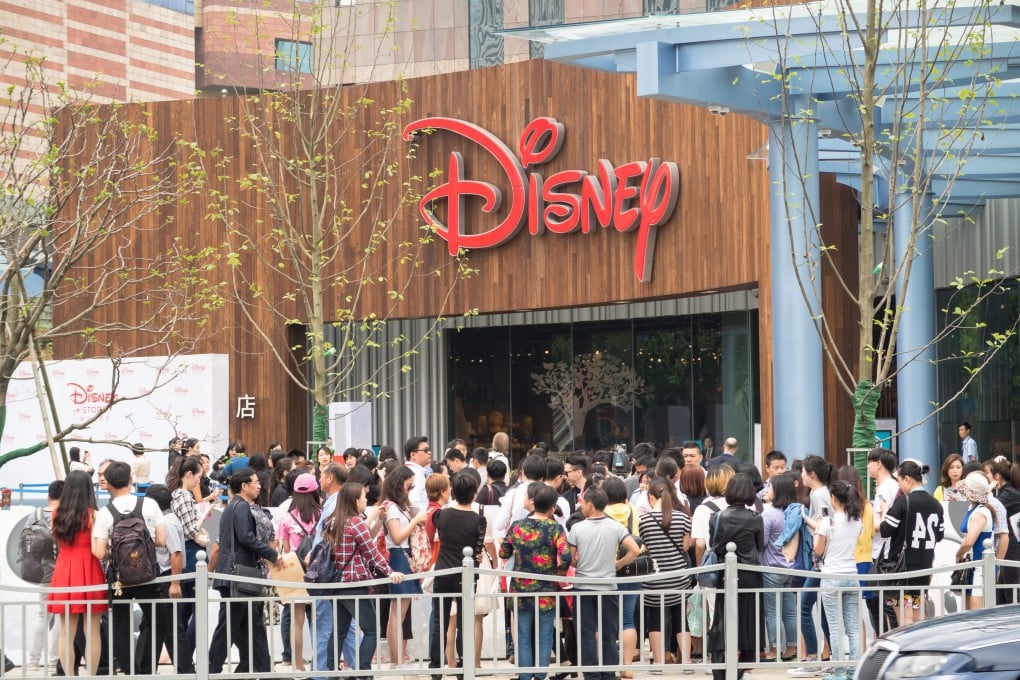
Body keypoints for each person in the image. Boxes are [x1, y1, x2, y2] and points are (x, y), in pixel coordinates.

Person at [90, 461, 166, 675]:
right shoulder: (149, 504)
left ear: (109, 485)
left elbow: (98, 551)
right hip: (149, 576)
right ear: (131, 480)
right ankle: (147, 670)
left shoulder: (105, 512)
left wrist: (116, 554)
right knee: (155, 623)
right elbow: (161, 540)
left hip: (119, 579)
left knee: (121, 627)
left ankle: (129, 671)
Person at [323, 482, 405, 677]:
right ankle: (363, 670)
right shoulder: (355, 522)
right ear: (355, 500)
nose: (366, 500)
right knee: (372, 629)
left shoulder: (334, 520)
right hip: (354, 584)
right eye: (363, 497)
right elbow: (371, 552)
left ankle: (332, 671)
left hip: (337, 583)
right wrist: (390, 571)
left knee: (339, 631)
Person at [208, 468, 283, 675]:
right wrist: (273, 554)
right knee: (229, 627)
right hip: (238, 576)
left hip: (237, 575)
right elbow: (246, 537)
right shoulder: (241, 507)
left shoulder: (235, 507)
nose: (259, 486)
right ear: (244, 486)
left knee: (253, 627)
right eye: (256, 482)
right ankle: (210, 670)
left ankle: (263, 671)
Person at [567, 486, 640, 680]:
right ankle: (608, 672)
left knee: (586, 634)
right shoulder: (615, 526)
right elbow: (635, 550)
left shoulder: (577, 528)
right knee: (609, 632)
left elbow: (572, 559)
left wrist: (580, 562)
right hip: (608, 587)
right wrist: (617, 564)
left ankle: (591, 674)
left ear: (589, 505)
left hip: (583, 587)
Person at [499, 483, 571, 680]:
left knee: (523, 634)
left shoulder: (517, 526)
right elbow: (566, 557)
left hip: (521, 589)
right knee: (545, 634)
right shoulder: (555, 528)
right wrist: (557, 575)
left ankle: (524, 675)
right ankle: (540, 675)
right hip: (547, 589)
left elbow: (503, 551)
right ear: (552, 507)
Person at [48, 471, 106, 676]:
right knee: (92, 632)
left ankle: (70, 677)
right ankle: (90, 676)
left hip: (64, 572)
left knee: (66, 631)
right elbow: (98, 550)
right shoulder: (93, 515)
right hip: (89, 571)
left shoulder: (57, 514)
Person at [429, 471, 487, 679]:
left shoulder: (441, 515)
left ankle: (436, 668)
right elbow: (478, 551)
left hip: (443, 571)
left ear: (452, 491)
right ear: (474, 493)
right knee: (464, 622)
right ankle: (464, 668)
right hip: (466, 576)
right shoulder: (478, 520)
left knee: (439, 622)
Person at [706, 474, 763, 680]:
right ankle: (741, 668)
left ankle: (721, 669)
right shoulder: (756, 518)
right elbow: (760, 547)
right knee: (748, 623)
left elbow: (713, 544)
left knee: (722, 620)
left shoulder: (717, 517)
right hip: (750, 575)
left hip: (725, 576)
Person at [807, 480, 863, 680]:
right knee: (854, 628)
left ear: (833, 498)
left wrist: (816, 535)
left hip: (831, 576)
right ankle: (854, 671)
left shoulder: (827, 522)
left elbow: (818, 549)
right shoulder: (857, 521)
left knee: (835, 627)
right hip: (851, 575)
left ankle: (839, 672)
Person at [879, 461, 944, 625]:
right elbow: (940, 535)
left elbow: (886, 529)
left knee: (905, 619)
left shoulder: (904, 501)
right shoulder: (936, 504)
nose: (899, 485)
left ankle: (910, 650)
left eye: (899, 480)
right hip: (925, 567)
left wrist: (885, 510)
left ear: (907, 479)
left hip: (903, 570)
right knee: (918, 617)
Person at [639, 480, 693, 669]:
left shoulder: (644, 520)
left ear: (650, 497)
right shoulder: (682, 518)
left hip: (654, 578)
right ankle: (687, 661)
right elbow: (685, 547)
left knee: (655, 619)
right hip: (679, 577)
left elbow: (643, 547)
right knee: (681, 619)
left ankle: (658, 662)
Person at [140, 484, 194, 673]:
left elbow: (176, 553)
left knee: (170, 628)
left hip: (166, 578)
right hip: (164, 578)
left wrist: (174, 583)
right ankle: (145, 669)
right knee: (156, 625)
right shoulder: (168, 519)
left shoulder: (167, 522)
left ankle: (185, 671)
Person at [381, 465, 428, 669]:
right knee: (397, 612)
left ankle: (397, 658)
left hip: (402, 557)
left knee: (399, 612)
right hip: (399, 557)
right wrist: (415, 520)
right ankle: (396, 659)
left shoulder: (396, 506)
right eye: (408, 486)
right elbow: (397, 536)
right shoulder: (391, 507)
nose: (410, 490)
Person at [278, 473, 323, 672]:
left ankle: (297, 665)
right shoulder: (321, 515)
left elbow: (286, 550)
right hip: (318, 572)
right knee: (319, 621)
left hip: (296, 573)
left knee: (297, 623)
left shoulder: (286, 518)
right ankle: (320, 662)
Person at [602, 476, 643, 678]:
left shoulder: (602, 512)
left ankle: (607, 664)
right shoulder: (634, 511)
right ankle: (627, 666)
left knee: (607, 620)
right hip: (632, 569)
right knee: (627, 618)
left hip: (608, 570)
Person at [759, 473, 798, 663]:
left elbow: (763, 541)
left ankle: (775, 649)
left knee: (772, 611)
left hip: (771, 568)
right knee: (789, 611)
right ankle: (791, 647)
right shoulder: (794, 512)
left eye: (771, 487)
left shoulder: (769, 514)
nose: (767, 490)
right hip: (789, 567)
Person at [25, 479, 62, 670]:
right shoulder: (66, 515)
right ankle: (54, 660)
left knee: (43, 615)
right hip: (64, 570)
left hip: (43, 571)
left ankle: (33, 660)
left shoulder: (34, 515)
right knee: (61, 615)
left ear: (48, 496)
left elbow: (27, 544)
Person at [955, 471, 994, 609]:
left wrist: (958, 554)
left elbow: (969, 541)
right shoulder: (973, 508)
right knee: (968, 611)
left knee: (976, 612)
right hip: (972, 565)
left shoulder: (981, 512)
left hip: (980, 567)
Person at [986, 457, 1020, 604]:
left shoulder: (1009, 494)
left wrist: (988, 489)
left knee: (1010, 590)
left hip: (1012, 548)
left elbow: (988, 509)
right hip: (1009, 547)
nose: (986, 477)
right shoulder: (1005, 493)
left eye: (987, 473)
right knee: (1002, 591)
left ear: (997, 476)